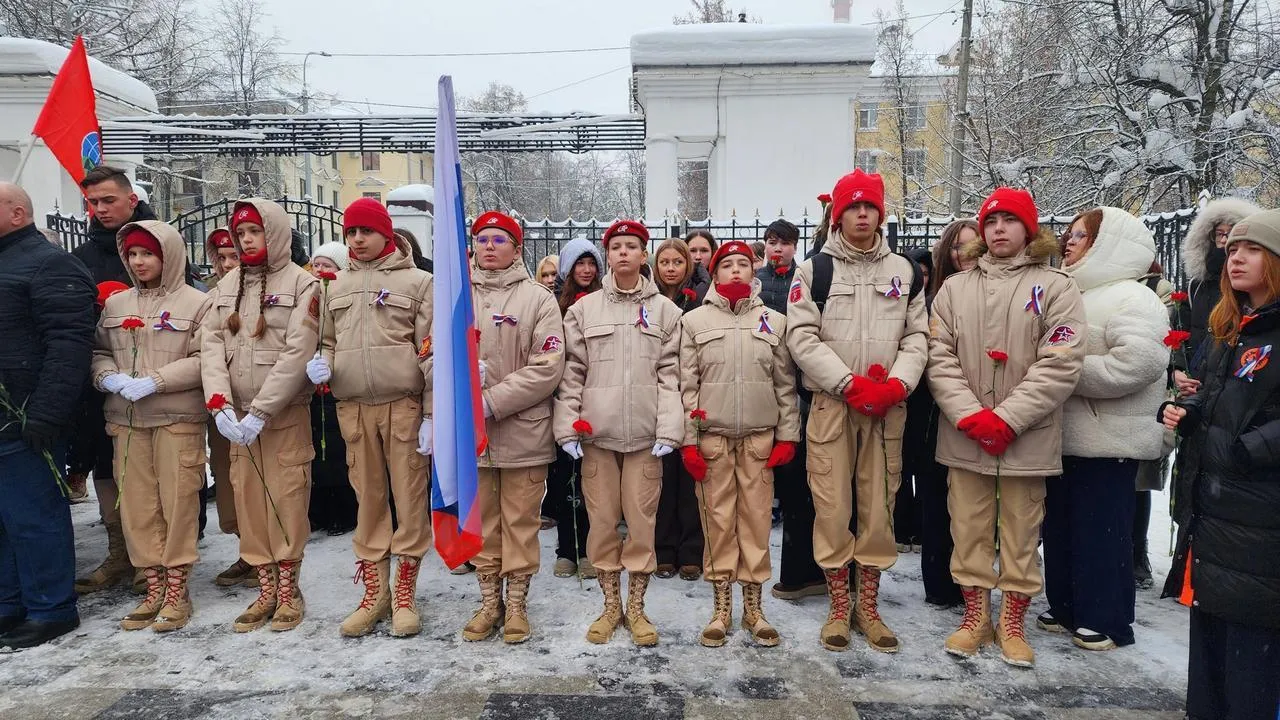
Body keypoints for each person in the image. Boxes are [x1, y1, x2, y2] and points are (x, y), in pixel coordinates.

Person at [928, 187, 1086, 668]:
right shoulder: (955, 289)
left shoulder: (1057, 288)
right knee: (969, 526)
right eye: (991, 221)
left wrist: (1010, 417)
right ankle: (975, 618)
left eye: (1010, 221)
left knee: (1020, 530)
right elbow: (940, 357)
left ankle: (1012, 622)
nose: (999, 229)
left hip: (1027, 436)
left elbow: (1061, 361)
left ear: (1029, 230)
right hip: (966, 433)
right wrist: (972, 415)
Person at [786, 169, 928, 654]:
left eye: (870, 207)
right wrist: (846, 383)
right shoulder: (813, 271)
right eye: (852, 207)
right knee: (832, 507)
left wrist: (897, 383)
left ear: (881, 213)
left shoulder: (905, 272)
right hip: (833, 406)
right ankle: (837, 608)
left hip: (886, 409)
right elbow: (801, 337)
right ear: (838, 214)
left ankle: (868, 606)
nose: (862, 214)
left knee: (879, 508)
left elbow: (916, 337)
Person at [1161, 209, 1280, 720]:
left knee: (1250, 658)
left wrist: (1250, 448)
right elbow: (1210, 396)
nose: (1235, 257)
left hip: (1261, 520)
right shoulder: (1229, 326)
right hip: (1212, 513)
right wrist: (1184, 412)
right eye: (1232, 250)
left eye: (1251, 250)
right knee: (1209, 652)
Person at [1042, 208, 1170, 651]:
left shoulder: (1133, 298)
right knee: (1060, 527)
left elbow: (1140, 363)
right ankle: (1066, 606)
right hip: (1065, 437)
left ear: (1108, 244)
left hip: (1109, 439)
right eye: (1070, 233)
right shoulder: (1072, 291)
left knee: (1102, 534)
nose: (1069, 241)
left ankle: (1108, 619)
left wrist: (1064, 374)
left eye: (1082, 235)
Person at [306, 198, 432, 639]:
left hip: (403, 408)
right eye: (350, 233)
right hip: (353, 410)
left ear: (386, 233)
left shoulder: (419, 283)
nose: (356, 240)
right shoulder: (330, 286)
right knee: (369, 501)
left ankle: (404, 595)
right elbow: (325, 340)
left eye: (365, 231)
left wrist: (432, 414)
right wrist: (321, 363)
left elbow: (430, 351)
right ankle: (374, 593)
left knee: (410, 501)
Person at [554, 219, 683, 646]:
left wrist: (669, 427)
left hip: (647, 439)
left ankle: (638, 609)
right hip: (597, 437)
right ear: (607, 256)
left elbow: (671, 375)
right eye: (616, 247)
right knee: (603, 523)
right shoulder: (583, 310)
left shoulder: (666, 311)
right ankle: (611, 607)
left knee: (642, 525)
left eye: (632, 246)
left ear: (644, 255)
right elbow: (571, 372)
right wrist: (568, 425)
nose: (624, 252)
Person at [202, 199, 320, 633]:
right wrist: (220, 404)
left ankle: (289, 590)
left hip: (282, 416)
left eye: (254, 231)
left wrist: (262, 411)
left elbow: (297, 351)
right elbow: (211, 347)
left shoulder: (303, 284)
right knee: (249, 502)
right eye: (241, 233)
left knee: (287, 499)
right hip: (236, 421)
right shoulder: (226, 287)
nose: (247, 240)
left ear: (273, 233)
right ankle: (264, 587)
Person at [91, 221, 213, 633]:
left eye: (148, 254)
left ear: (169, 256)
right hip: (126, 421)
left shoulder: (198, 302)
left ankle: (178, 590)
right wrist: (107, 377)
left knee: (178, 503)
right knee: (138, 508)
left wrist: (156, 381)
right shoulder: (116, 304)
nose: (139, 262)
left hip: (176, 418)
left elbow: (204, 358)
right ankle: (152, 585)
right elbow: (98, 351)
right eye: (133, 255)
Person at [680, 240, 800, 647]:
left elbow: (785, 385)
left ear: (755, 271)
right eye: (727, 265)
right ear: (713, 274)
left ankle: (754, 605)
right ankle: (721, 606)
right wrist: (687, 441)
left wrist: (787, 435)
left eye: (743, 265)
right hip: (712, 440)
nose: (735, 271)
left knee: (755, 522)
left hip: (758, 440)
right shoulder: (694, 322)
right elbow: (686, 385)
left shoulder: (774, 322)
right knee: (717, 521)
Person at [459, 211, 565, 644]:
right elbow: (430, 355)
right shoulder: (456, 295)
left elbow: (548, 365)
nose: (488, 246)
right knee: (483, 522)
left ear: (516, 248)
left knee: (520, 520)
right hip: (471, 434)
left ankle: (517, 603)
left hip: (523, 430)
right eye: (482, 239)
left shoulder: (539, 299)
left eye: (499, 239)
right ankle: (489, 602)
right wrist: (460, 386)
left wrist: (491, 399)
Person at [0, 183, 95, 651]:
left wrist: (46, 413)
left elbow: (68, 345)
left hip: (27, 420)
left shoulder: (49, 263)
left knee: (33, 517)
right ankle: (8, 604)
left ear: (18, 213)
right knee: (2, 519)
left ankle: (50, 607)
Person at [71, 166, 158, 596]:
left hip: (155, 385)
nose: (101, 209)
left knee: (150, 472)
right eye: (93, 203)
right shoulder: (80, 259)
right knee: (105, 465)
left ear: (130, 199)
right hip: (100, 381)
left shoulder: (160, 246)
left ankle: (153, 557)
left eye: (108, 200)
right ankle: (119, 553)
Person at [909, 220, 980, 609]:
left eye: (970, 246)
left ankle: (972, 579)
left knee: (971, 503)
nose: (961, 254)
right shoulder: (929, 295)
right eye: (955, 247)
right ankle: (939, 582)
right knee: (935, 498)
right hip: (933, 412)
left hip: (978, 407)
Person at [754, 218, 825, 601]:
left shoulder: (805, 278)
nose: (776, 248)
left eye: (783, 242)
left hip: (804, 387)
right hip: (762, 385)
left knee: (807, 480)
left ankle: (806, 571)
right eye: (770, 241)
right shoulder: (756, 282)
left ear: (795, 246)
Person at [200, 227, 256, 588]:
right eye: (220, 258)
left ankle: (261, 555)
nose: (226, 264)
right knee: (227, 477)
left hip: (256, 401)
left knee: (256, 482)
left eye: (233, 256)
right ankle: (244, 548)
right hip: (222, 403)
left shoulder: (263, 290)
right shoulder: (211, 296)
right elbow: (206, 347)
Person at [651, 237, 707, 580]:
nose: (671, 268)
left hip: (691, 395)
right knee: (661, 478)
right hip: (658, 396)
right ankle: (663, 549)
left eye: (677, 262)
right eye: (665, 262)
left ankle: (691, 551)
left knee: (690, 480)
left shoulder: (700, 300)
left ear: (688, 266)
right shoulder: (648, 301)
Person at [548, 238, 603, 579]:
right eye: (580, 264)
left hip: (597, 396)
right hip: (564, 399)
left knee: (591, 480)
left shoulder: (603, 303)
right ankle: (566, 548)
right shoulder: (553, 304)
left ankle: (591, 547)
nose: (586, 270)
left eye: (591, 263)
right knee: (564, 478)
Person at [1176, 197, 1263, 392]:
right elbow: (1178, 330)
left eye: (1230, 233)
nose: (1224, 240)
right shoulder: (1195, 287)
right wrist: (1178, 369)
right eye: (1219, 234)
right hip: (1196, 386)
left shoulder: (1257, 288)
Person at [306, 243, 355, 537]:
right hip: (312, 381)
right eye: (317, 265)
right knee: (318, 451)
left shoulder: (341, 296)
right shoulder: (307, 296)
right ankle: (319, 510)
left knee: (337, 450)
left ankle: (344, 511)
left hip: (336, 384)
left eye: (329, 267)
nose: (321, 272)